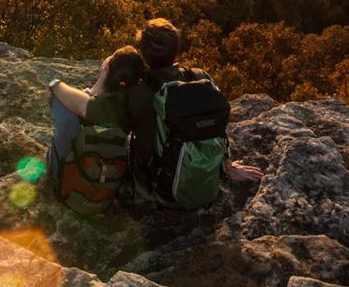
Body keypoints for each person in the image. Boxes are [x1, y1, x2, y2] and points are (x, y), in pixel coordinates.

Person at [128, 18, 262, 205]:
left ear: (142, 52)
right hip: (206, 182)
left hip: (161, 192)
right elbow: (215, 124)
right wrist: (226, 166)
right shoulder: (199, 76)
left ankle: (139, 197)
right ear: (176, 50)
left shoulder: (139, 90)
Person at [46, 45, 146, 212]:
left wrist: (95, 86)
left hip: (68, 187)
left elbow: (57, 92)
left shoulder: (79, 106)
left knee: (66, 125)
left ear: (106, 67)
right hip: (108, 189)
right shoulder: (135, 109)